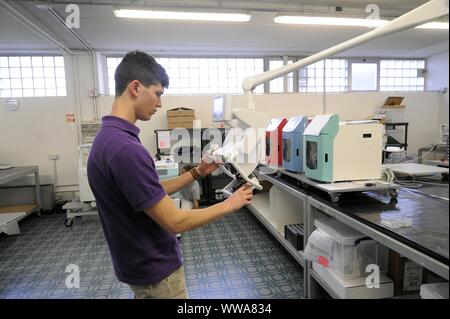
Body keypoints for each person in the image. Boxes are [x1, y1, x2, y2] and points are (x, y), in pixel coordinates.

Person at [87, 50, 253, 299]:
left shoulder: (109, 139)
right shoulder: (125, 149)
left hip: (137, 265)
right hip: (156, 272)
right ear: (135, 87)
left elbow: (149, 192)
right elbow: (175, 221)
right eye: (157, 94)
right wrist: (229, 204)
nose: (160, 103)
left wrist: (198, 172)